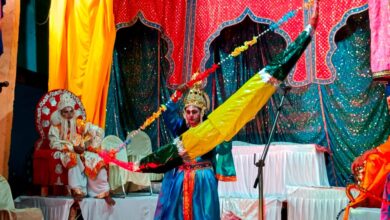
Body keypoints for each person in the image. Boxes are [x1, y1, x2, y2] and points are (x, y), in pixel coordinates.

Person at [154, 81, 236, 219]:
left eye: (194, 112)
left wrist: (227, 134)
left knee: (204, 214)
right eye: (188, 112)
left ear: (202, 112)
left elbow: (223, 149)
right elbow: (167, 112)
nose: (191, 115)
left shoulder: (210, 131)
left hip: (203, 178)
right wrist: (177, 94)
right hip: (181, 178)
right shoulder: (180, 128)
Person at [48, 93, 115, 206]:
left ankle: (103, 192)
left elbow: (97, 131)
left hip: (82, 151)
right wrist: (71, 148)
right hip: (66, 152)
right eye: (66, 111)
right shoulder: (56, 126)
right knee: (72, 157)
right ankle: (78, 191)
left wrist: (87, 145)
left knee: (97, 160)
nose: (69, 115)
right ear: (60, 112)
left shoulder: (79, 123)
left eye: (71, 111)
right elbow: (54, 143)